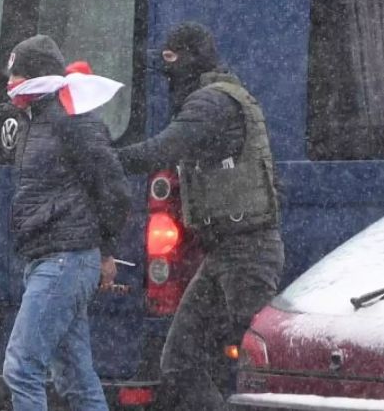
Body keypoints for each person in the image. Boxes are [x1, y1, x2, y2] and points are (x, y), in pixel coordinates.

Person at [116, 22, 285, 410]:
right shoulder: (218, 97)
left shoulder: (211, 103)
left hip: (247, 252)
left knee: (261, 365)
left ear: (193, 59)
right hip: (223, 252)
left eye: (172, 59)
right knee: (179, 360)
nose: (166, 69)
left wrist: (103, 158)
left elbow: (163, 149)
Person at [1, 34, 131, 411]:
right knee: (74, 376)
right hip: (50, 260)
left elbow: (115, 191)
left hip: (64, 261)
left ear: (36, 77)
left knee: (21, 367)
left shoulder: (70, 122)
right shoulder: (36, 119)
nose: (9, 84)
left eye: (16, 74)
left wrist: (104, 249)